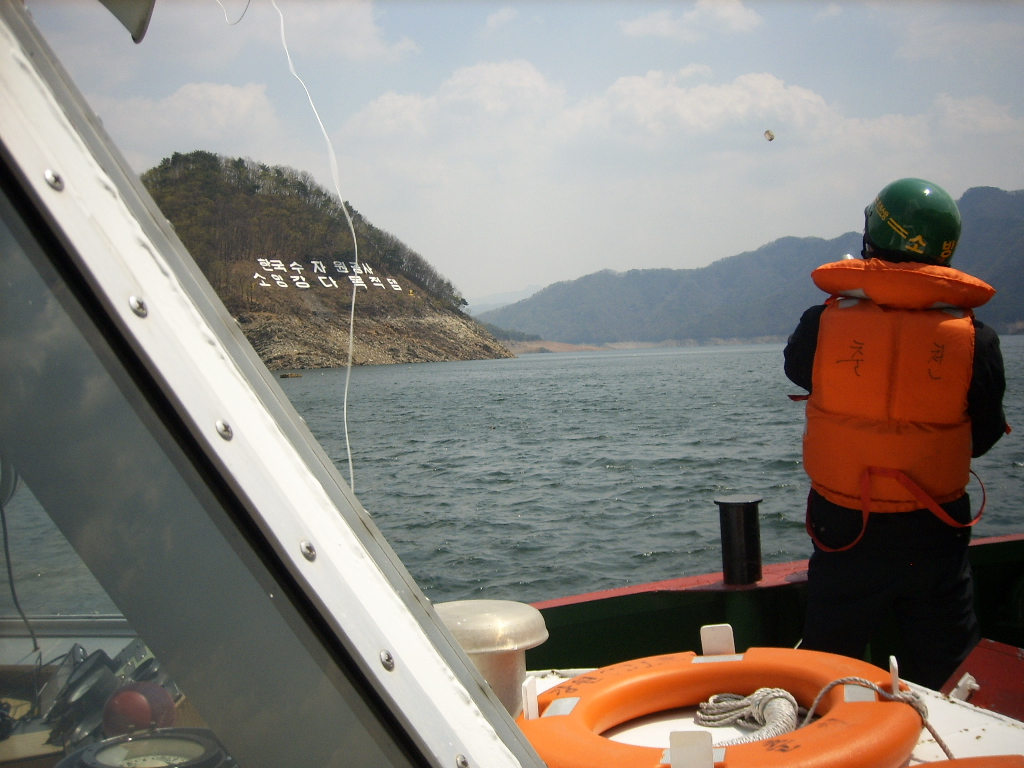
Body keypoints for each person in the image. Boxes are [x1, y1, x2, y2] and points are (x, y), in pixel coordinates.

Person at [784, 178, 1009, 690]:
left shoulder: (821, 322)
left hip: (846, 529)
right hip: (934, 531)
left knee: (828, 669)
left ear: (875, 234)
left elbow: (798, 370)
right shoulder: (977, 339)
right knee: (948, 674)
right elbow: (983, 436)